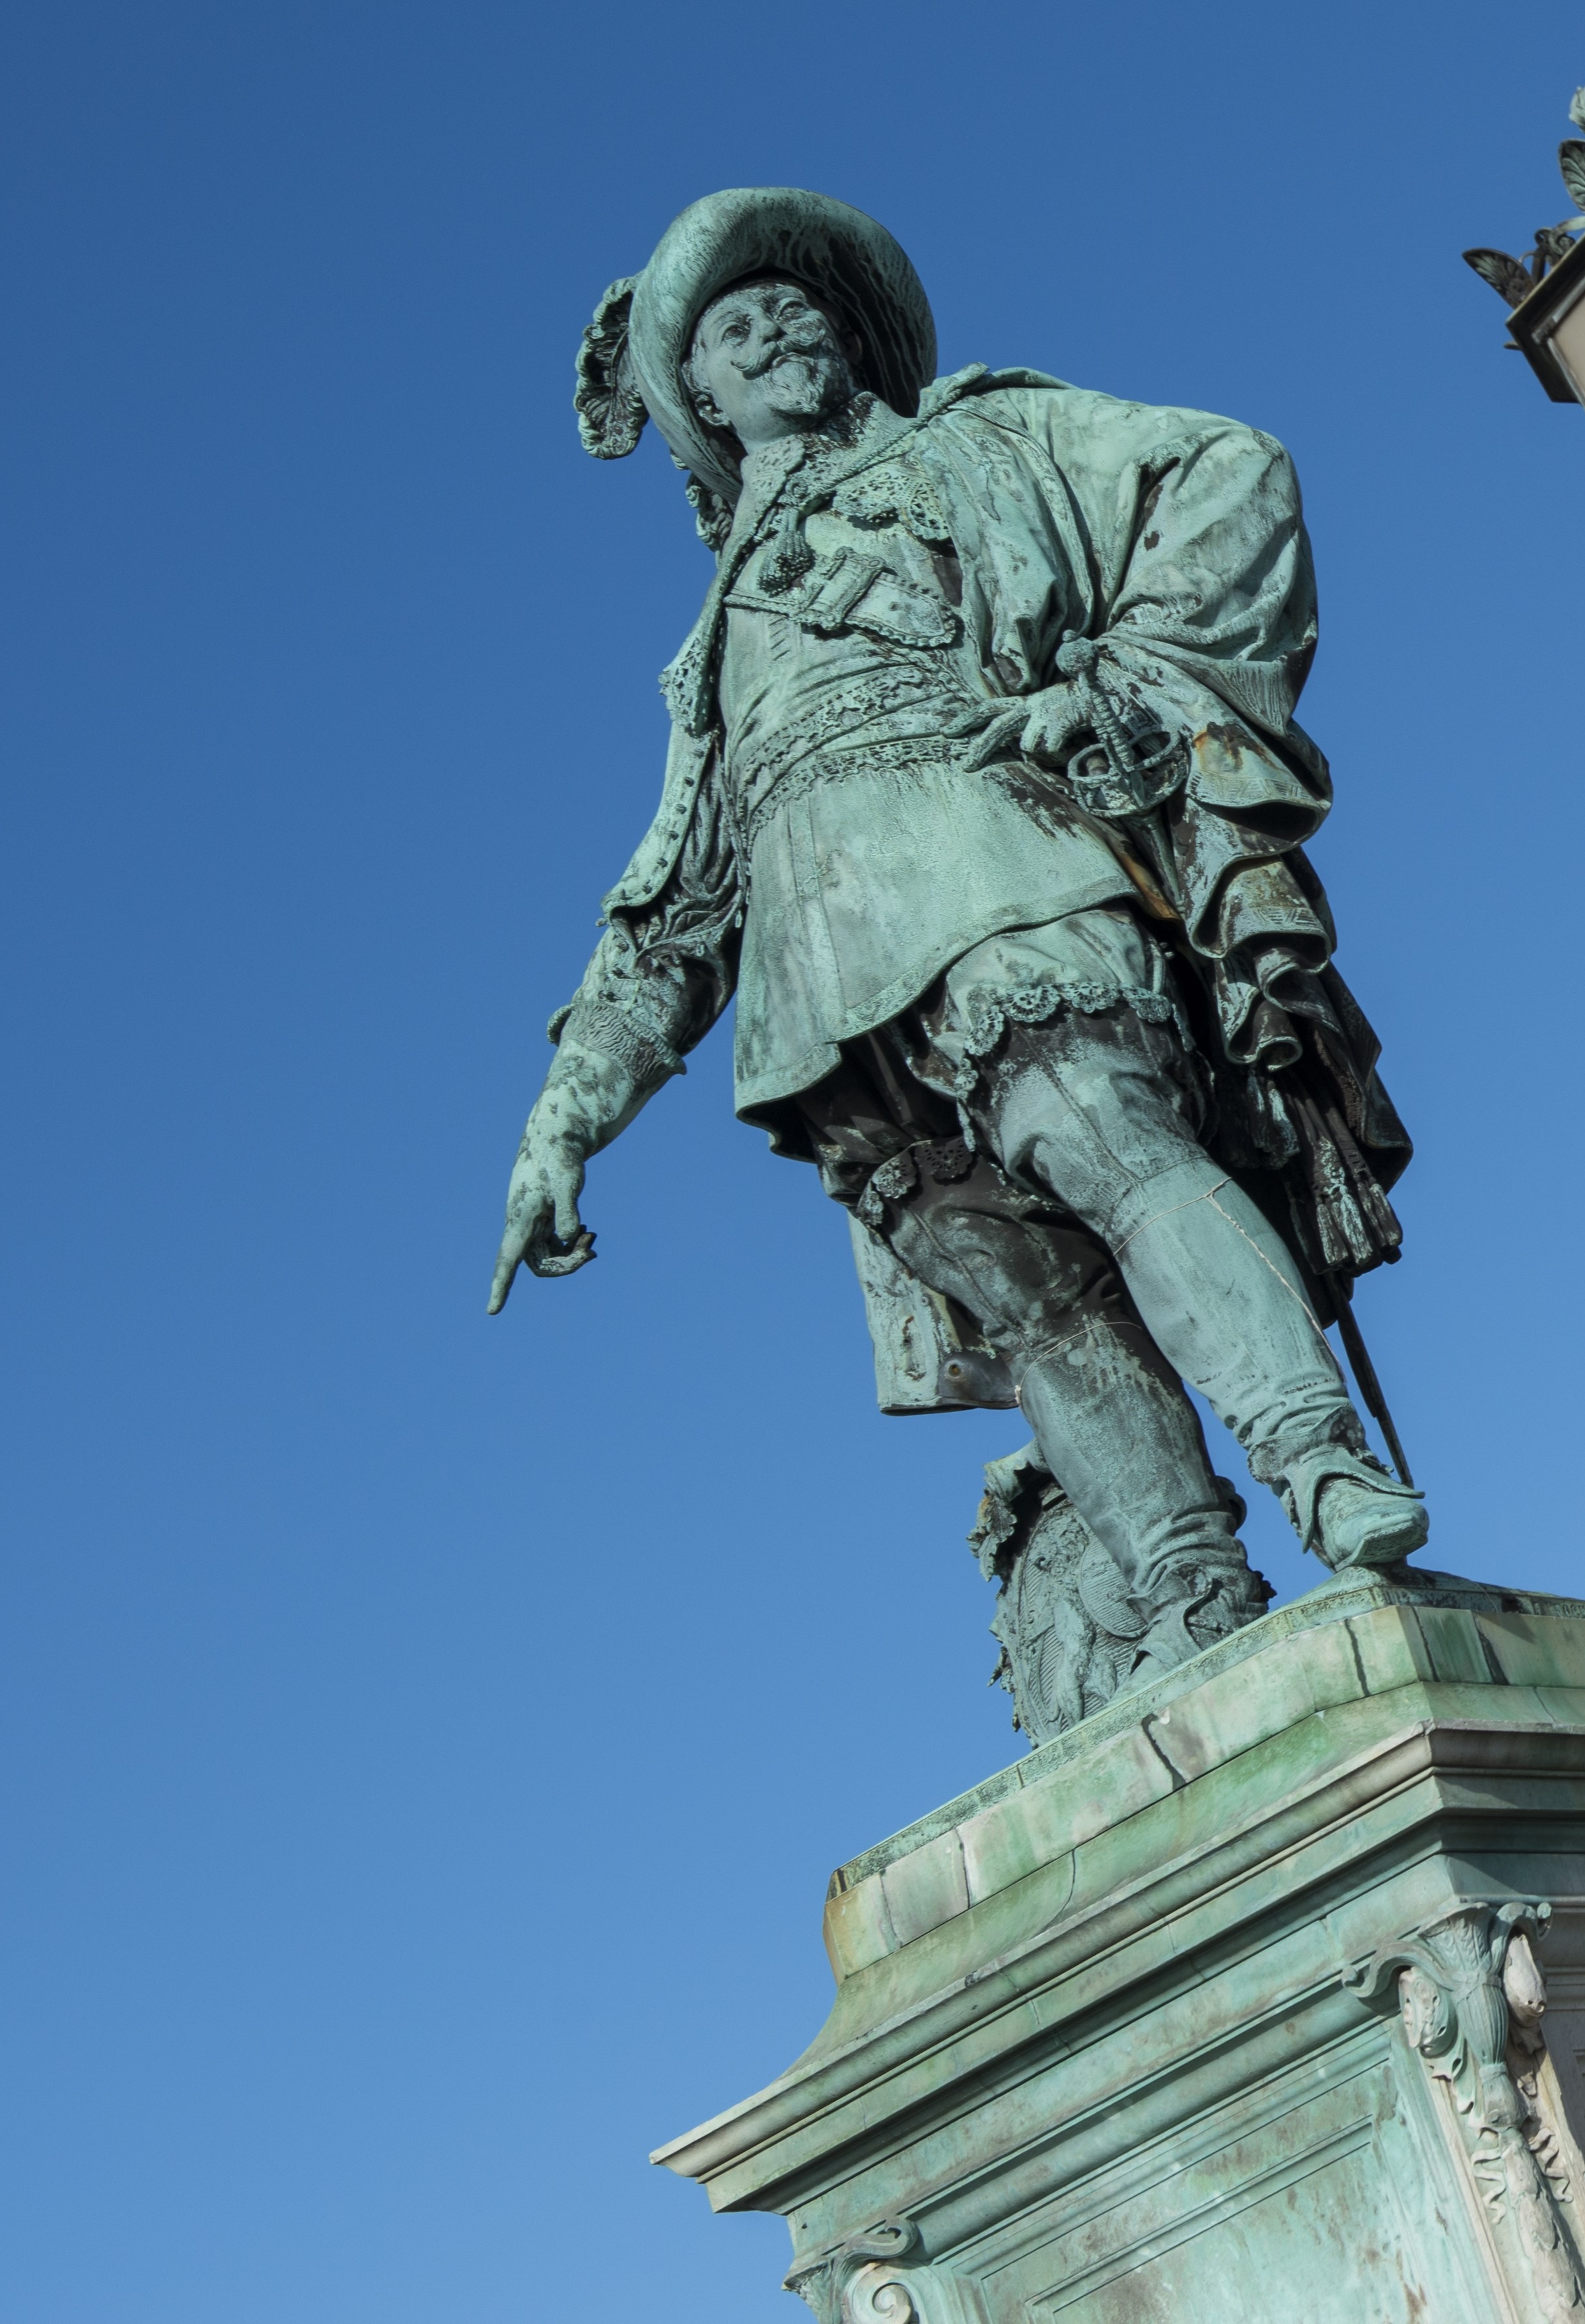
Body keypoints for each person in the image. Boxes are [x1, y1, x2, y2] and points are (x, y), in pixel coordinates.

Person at [497, 189, 1427, 1693]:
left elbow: (1230, 469)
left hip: (1005, 870)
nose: (777, 327)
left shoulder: (981, 438)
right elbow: (679, 904)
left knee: (1109, 1141)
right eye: (735, 327)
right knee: (1033, 1300)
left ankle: (1318, 1459)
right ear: (704, 401)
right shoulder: (709, 646)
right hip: (825, 995)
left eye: (793, 304)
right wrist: (564, 1122)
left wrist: (1118, 680)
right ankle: (1193, 1591)